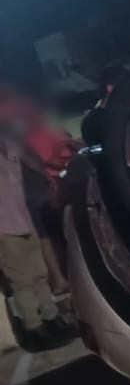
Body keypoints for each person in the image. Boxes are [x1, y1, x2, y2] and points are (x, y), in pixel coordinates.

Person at [0, 115, 62, 344]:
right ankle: (34, 327)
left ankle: (51, 318)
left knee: (40, 274)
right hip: (4, 228)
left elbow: (35, 163)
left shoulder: (12, 146)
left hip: (24, 220)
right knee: (22, 281)